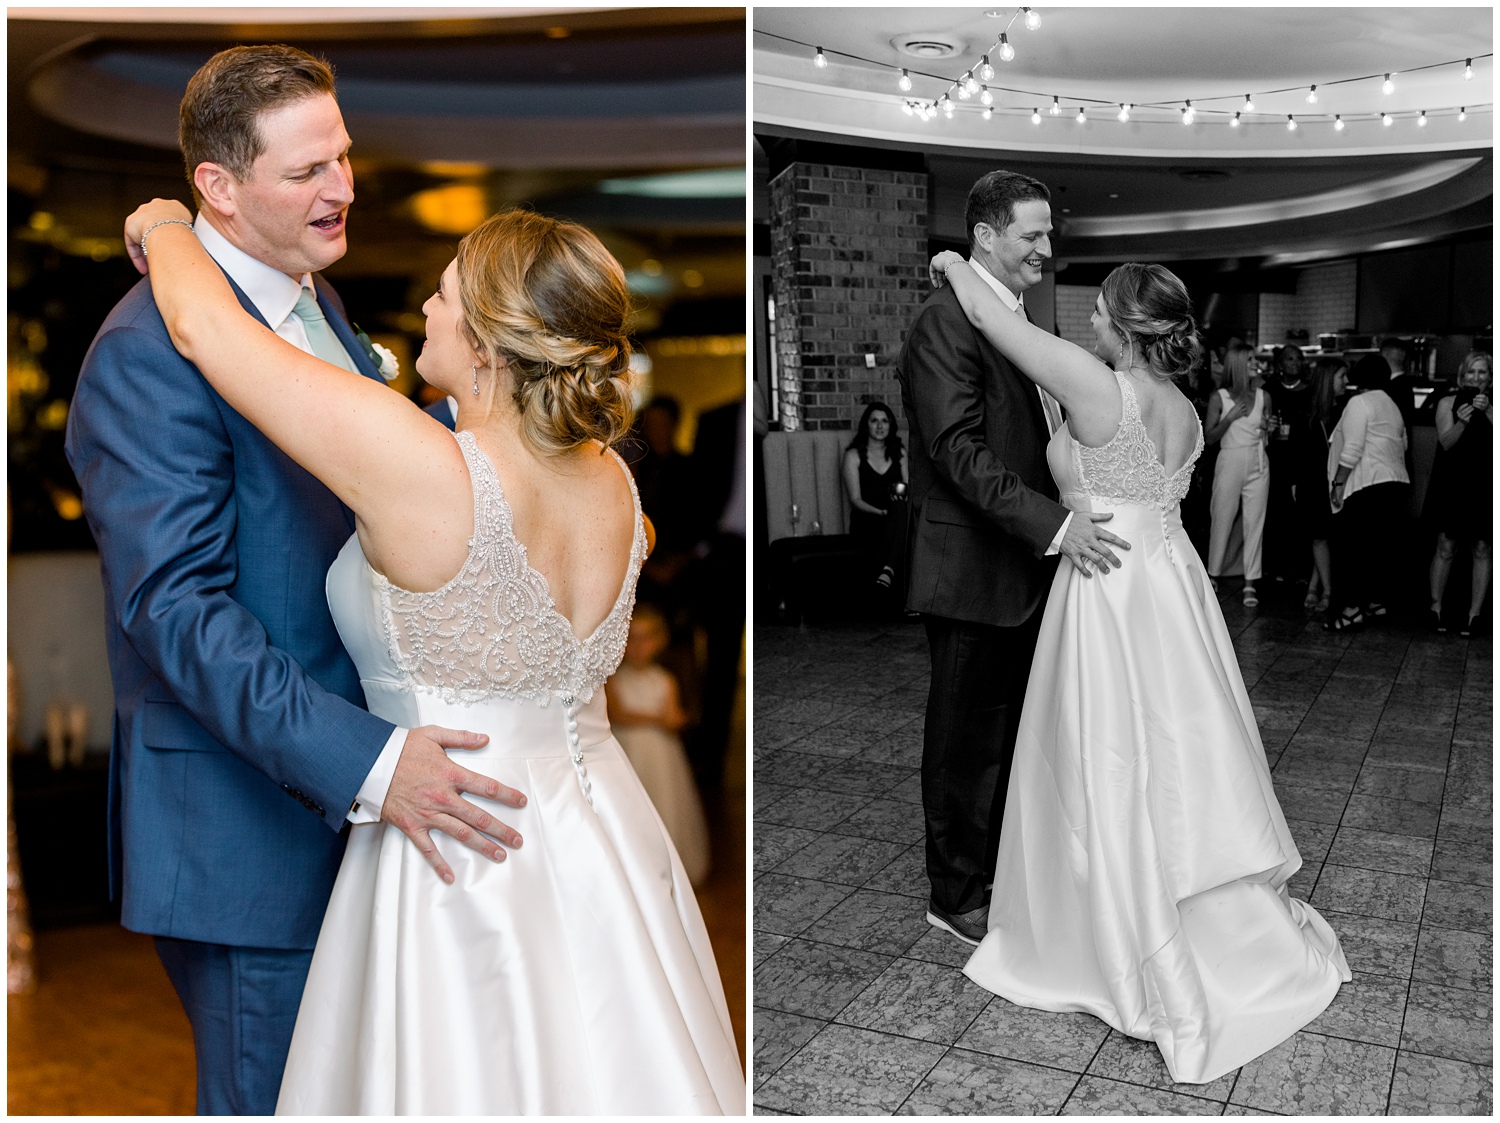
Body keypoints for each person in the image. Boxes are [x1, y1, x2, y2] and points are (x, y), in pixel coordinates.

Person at [117, 193, 742, 1111]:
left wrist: (165, 224)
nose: (425, 310)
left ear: (488, 342)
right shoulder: (610, 476)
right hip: (602, 831)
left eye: (444, 295)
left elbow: (204, 327)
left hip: (462, 840)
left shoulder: (422, 463)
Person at [62, 46, 493, 1113]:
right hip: (248, 827)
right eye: (307, 171)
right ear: (217, 186)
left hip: (345, 807)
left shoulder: (319, 302)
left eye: (341, 157)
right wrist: (372, 760)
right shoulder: (144, 355)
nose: (342, 187)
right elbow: (177, 613)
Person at [928, 250, 1349, 1085]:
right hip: (1170, 586)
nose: (1085, 323)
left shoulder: (1099, 387)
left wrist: (952, 258)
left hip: (1108, 593)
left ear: (1124, 325)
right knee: (1179, 754)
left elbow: (990, 320)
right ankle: (1208, 910)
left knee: (1108, 760)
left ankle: (1111, 933)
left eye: (1097, 314)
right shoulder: (1187, 410)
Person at [897, 169, 1129, 946]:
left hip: (1023, 566)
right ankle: (954, 891)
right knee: (963, 742)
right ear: (986, 237)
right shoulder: (944, 321)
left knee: (1008, 739)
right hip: (971, 569)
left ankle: (997, 870)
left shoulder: (1013, 318)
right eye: (1032, 234)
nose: (1046, 248)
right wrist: (1056, 525)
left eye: (1049, 233)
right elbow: (955, 450)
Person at [607, 602, 711, 887]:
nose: (640, 646)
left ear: (660, 641)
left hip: (661, 752)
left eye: (647, 637)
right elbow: (617, 715)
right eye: (633, 638)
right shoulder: (613, 680)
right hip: (628, 750)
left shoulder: (665, 680)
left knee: (664, 801)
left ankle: (665, 871)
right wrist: (658, 719)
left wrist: (677, 719)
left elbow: (675, 715)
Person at [1324, 353, 1410, 632]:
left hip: (1368, 484)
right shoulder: (1391, 404)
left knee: (1352, 551)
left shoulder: (1359, 403)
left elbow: (1352, 451)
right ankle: (1375, 603)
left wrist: (1338, 485)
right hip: (1395, 484)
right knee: (1378, 549)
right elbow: (1404, 444)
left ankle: (1350, 611)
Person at [1424, 351, 1492, 635]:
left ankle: (1474, 614)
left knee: (1482, 547)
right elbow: (1446, 443)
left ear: (1490, 378)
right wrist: (1463, 422)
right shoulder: (1447, 403)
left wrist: (1488, 413)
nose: (1477, 378)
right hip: (1453, 481)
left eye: (1483, 372)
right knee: (1446, 546)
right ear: (1462, 376)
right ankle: (1435, 607)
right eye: (1472, 372)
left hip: (1485, 482)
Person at [1204, 342, 1270, 606]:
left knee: (1255, 522)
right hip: (1229, 459)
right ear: (1240, 364)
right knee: (1222, 517)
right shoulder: (1219, 397)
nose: (1257, 363)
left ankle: (1250, 583)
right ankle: (1213, 575)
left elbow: (1267, 437)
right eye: (1251, 359)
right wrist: (1229, 418)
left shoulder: (1265, 396)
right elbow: (1209, 439)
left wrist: (1268, 428)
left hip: (1258, 461)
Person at [840, 401, 908, 592]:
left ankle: (887, 572)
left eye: (884, 421)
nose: (880, 426)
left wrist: (891, 513)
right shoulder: (853, 455)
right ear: (866, 425)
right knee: (900, 524)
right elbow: (855, 500)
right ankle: (906, 604)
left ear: (891, 425)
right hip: (867, 518)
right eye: (874, 421)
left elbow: (907, 490)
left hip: (895, 516)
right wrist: (880, 512)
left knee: (901, 511)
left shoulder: (900, 453)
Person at [1300, 359, 1349, 613]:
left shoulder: (1345, 409)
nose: (1347, 383)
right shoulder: (1306, 410)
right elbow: (1297, 451)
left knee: (1325, 537)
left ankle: (1315, 585)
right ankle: (1327, 591)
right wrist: (1294, 482)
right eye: (1342, 377)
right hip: (1313, 481)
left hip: (1335, 480)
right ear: (1329, 379)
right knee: (1319, 536)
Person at [1265, 344, 1313, 583]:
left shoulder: (1310, 391)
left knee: (1300, 513)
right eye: (1289, 359)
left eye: (1298, 359)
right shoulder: (1269, 390)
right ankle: (1275, 565)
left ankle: (1299, 567)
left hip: (1301, 457)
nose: (1295, 363)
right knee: (1276, 510)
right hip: (1275, 456)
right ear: (1280, 364)